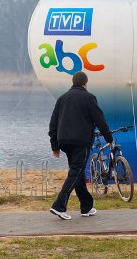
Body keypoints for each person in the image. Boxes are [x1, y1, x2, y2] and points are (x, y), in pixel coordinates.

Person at [48, 71, 113, 220]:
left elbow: (53, 123)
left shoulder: (62, 98)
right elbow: (100, 120)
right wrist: (109, 137)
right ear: (85, 83)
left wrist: (55, 145)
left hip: (64, 141)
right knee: (76, 172)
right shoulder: (89, 98)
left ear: (72, 82)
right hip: (81, 142)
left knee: (78, 172)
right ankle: (59, 205)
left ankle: (86, 206)